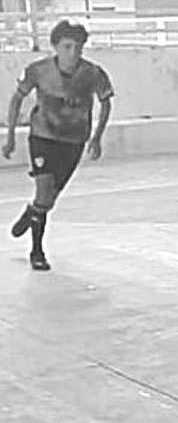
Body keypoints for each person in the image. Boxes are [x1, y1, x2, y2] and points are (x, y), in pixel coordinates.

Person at [3, 20, 113, 272]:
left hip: (74, 140)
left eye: (78, 47)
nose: (73, 53)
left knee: (48, 200)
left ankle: (32, 212)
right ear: (55, 47)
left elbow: (106, 102)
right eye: (67, 47)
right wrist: (10, 136)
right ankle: (37, 251)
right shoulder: (38, 70)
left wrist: (97, 137)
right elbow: (17, 98)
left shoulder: (92, 73)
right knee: (44, 190)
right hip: (43, 137)